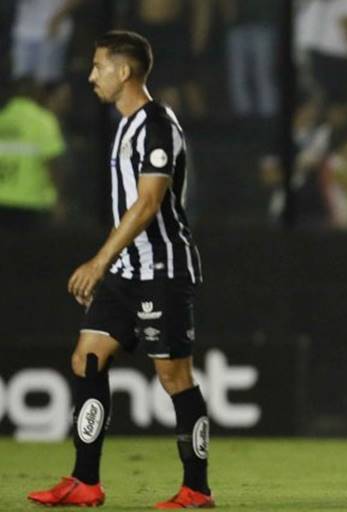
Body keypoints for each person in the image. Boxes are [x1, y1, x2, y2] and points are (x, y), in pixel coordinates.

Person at [27, 31, 211, 509]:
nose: (91, 75)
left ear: (123, 71)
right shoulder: (127, 126)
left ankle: (197, 488)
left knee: (174, 377)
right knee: (87, 358)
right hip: (127, 272)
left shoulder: (155, 124)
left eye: (98, 66)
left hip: (162, 270)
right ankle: (84, 481)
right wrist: (112, 265)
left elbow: (149, 203)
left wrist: (97, 260)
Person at [0, 79, 66, 228]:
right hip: (32, 202)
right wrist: (59, 199)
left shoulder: (2, 118)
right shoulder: (43, 121)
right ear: (36, 94)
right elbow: (53, 163)